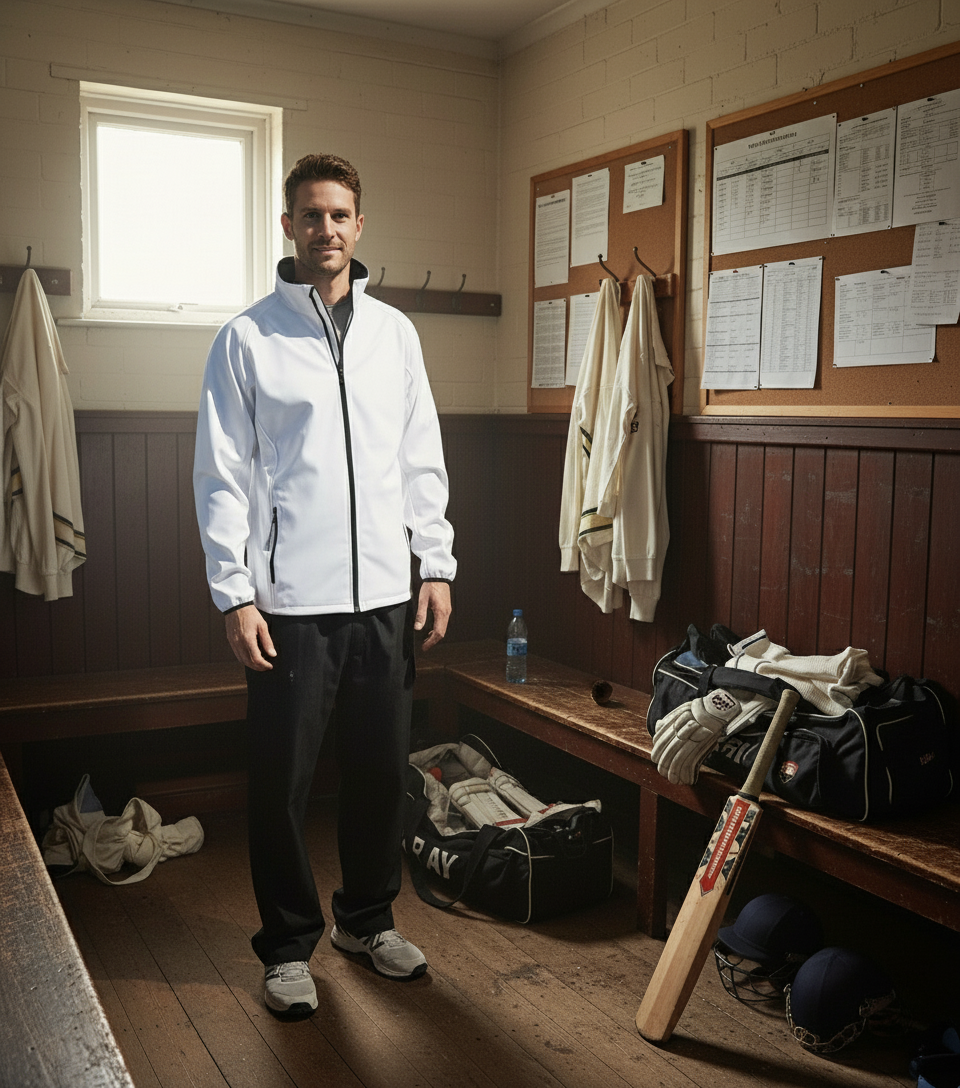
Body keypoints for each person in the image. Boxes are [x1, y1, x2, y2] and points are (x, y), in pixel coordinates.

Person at [193, 153, 455, 1019]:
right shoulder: (247, 338)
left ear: (359, 225)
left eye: (340, 215)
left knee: (381, 772)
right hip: (290, 606)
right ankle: (287, 945)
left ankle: (367, 921)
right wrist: (234, 592)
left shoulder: (396, 335)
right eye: (310, 216)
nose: (326, 230)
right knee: (283, 782)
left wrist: (437, 563)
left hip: (385, 596)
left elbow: (421, 457)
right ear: (288, 227)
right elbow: (223, 475)